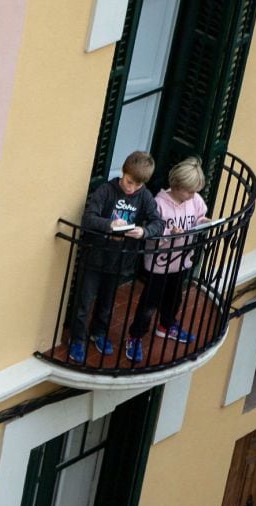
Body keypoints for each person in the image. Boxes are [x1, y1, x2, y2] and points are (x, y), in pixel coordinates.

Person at [69, 151, 163, 364]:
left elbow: (158, 223)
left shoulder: (145, 197)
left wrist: (143, 231)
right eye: (129, 181)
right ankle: (78, 339)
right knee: (84, 300)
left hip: (120, 260)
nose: (131, 188)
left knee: (107, 301)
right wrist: (109, 225)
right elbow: (88, 218)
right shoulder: (105, 191)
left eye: (137, 185)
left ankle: (99, 333)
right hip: (95, 256)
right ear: (123, 172)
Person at [126, 157, 210, 357]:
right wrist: (168, 234)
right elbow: (151, 235)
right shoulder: (158, 204)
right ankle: (135, 336)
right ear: (177, 185)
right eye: (189, 191)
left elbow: (199, 217)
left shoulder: (196, 200)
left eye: (195, 191)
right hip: (160, 264)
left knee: (175, 297)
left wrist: (203, 221)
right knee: (150, 302)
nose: (192, 195)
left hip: (182, 259)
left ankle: (166, 325)